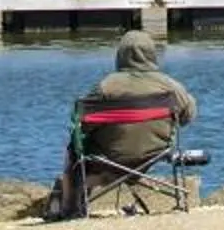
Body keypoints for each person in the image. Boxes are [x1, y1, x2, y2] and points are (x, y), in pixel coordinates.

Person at [53, 30, 197, 218]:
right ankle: (177, 199)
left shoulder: (106, 87)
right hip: (154, 153)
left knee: (73, 147)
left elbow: (82, 125)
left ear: (120, 56)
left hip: (110, 156)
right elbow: (187, 117)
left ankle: (70, 207)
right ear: (153, 55)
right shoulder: (170, 86)